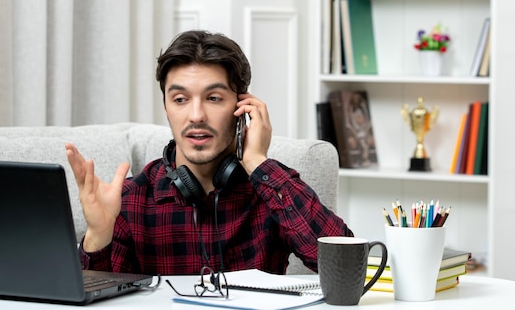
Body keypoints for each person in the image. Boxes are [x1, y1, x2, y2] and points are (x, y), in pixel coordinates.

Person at [65, 30, 352, 277]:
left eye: (214, 98)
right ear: (166, 108)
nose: (196, 115)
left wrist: (256, 162)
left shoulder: (271, 188)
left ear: (242, 108)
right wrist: (98, 236)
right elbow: (92, 298)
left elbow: (348, 270)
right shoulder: (132, 200)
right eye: (180, 99)